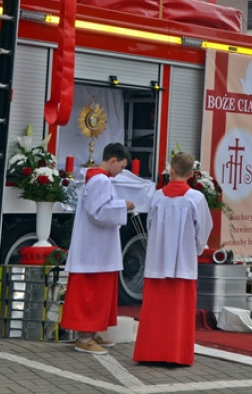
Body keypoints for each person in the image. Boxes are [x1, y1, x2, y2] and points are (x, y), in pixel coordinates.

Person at [133, 151, 213, 365]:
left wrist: (158, 247)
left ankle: (149, 353)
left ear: (171, 170)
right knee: (179, 313)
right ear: (191, 174)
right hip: (182, 264)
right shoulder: (196, 198)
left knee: (155, 311)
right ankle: (175, 356)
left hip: (157, 261)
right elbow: (204, 229)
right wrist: (194, 250)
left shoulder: (158, 197)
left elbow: (150, 225)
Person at [61, 143, 135, 355]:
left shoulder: (94, 178)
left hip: (95, 247)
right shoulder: (101, 180)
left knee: (96, 292)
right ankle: (84, 337)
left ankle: (91, 332)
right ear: (112, 161)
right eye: (121, 167)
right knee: (91, 293)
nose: (120, 172)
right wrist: (124, 205)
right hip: (94, 249)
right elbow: (98, 212)